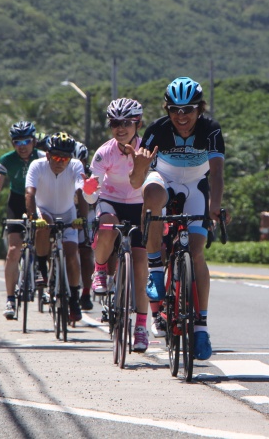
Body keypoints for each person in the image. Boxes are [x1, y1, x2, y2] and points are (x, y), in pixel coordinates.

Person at [130, 77, 228, 361]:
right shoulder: (157, 130)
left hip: (197, 185)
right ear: (167, 109)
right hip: (165, 179)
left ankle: (201, 328)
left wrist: (216, 207)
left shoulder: (211, 130)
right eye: (175, 109)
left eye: (189, 109)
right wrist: (139, 167)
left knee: (196, 253)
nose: (181, 116)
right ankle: (156, 270)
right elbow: (137, 181)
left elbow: (217, 173)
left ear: (200, 109)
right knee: (152, 193)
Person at [82, 98, 157, 352]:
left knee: (140, 265)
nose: (120, 128)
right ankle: (100, 269)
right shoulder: (104, 152)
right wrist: (89, 191)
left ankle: (140, 327)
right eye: (115, 123)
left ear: (138, 124)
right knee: (106, 226)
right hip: (112, 201)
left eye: (126, 123)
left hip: (139, 205)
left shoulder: (148, 151)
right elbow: (92, 194)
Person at [0, 121, 45, 319]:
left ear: (34, 141)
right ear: (12, 143)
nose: (22, 146)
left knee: (48, 239)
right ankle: (10, 298)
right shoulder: (6, 160)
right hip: (16, 202)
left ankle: (48, 275)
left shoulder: (42, 157)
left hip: (39, 200)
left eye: (26, 140)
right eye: (17, 142)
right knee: (13, 250)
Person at [25, 132, 88, 323]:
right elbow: (30, 193)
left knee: (72, 254)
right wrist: (32, 218)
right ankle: (41, 266)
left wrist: (83, 219)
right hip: (44, 210)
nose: (61, 161)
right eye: (57, 157)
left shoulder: (76, 166)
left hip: (67, 213)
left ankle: (75, 298)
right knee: (43, 226)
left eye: (65, 158)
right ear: (48, 155)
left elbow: (81, 190)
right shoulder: (37, 165)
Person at [73, 142, 95, 311]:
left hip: (88, 212)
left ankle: (86, 292)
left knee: (86, 252)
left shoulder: (92, 171)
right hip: (67, 210)